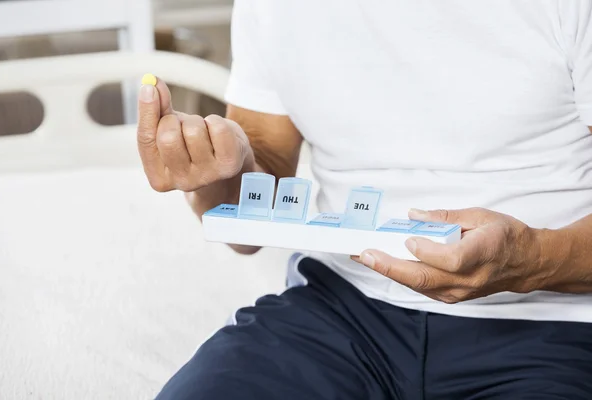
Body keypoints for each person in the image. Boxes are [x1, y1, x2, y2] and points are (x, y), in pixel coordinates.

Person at [138, 1, 592, 398]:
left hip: (556, 327)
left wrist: (533, 260)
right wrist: (211, 174)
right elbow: (253, 207)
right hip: (340, 309)